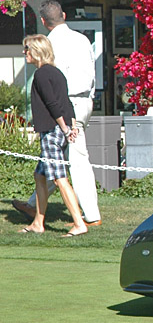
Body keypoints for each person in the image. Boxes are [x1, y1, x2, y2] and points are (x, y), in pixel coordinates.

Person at [14, 0, 101, 227]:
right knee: (55, 160)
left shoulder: (48, 44)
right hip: (84, 101)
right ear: (63, 14)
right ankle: (34, 205)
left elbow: (52, 87)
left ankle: (90, 216)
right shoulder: (82, 39)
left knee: (75, 159)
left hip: (65, 106)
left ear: (43, 21)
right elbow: (92, 72)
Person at [19, 35, 88, 237]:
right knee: (40, 175)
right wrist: (72, 126)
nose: (25, 53)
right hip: (60, 130)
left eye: (27, 49)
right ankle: (38, 223)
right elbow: (66, 102)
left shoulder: (41, 74)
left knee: (59, 178)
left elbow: (53, 104)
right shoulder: (56, 73)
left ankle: (79, 223)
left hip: (52, 131)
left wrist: (65, 128)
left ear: (36, 50)